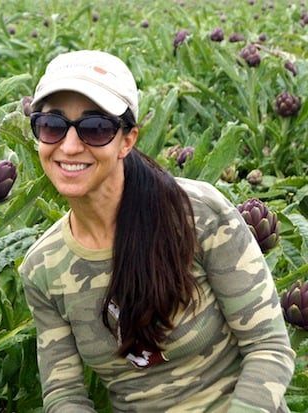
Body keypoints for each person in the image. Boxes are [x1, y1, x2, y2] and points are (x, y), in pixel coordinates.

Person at [18, 50, 295, 412]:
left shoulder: (196, 215)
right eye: (52, 125)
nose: (69, 146)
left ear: (127, 140)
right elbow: (64, 395)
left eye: (96, 128)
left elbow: (269, 348)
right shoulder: (42, 268)